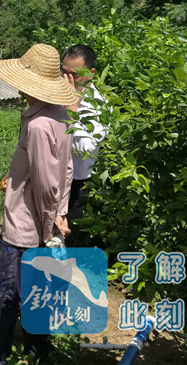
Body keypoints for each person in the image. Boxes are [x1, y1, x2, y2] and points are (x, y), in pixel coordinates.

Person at [0, 43, 77, 364]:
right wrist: (60, 214)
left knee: (2, 295)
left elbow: (47, 183)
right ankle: (38, 349)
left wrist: (50, 221)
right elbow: (64, 170)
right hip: (43, 220)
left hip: (25, 227)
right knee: (38, 290)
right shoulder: (59, 115)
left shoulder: (38, 125)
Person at [61, 44, 107, 247]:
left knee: (65, 243)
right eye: (64, 72)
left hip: (75, 185)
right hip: (49, 179)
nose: (67, 80)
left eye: (75, 75)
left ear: (91, 74)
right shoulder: (54, 92)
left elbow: (87, 149)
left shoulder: (99, 106)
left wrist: (71, 112)